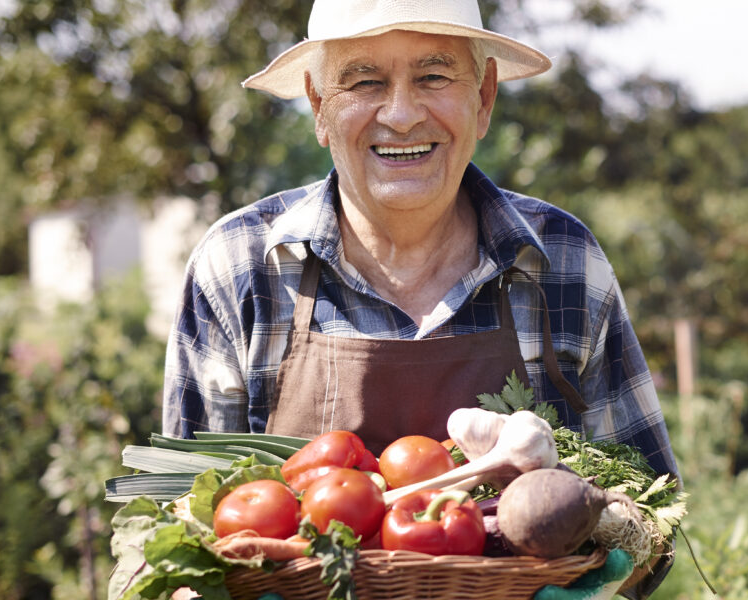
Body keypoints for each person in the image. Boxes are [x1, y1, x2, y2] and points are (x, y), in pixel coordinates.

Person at [163, 2, 679, 595]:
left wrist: (603, 583)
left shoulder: (564, 263)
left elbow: (650, 516)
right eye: (364, 81)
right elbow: (184, 532)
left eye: (433, 77)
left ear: (483, 98)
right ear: (318, 105)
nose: (402, 115)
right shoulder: (240, 267)